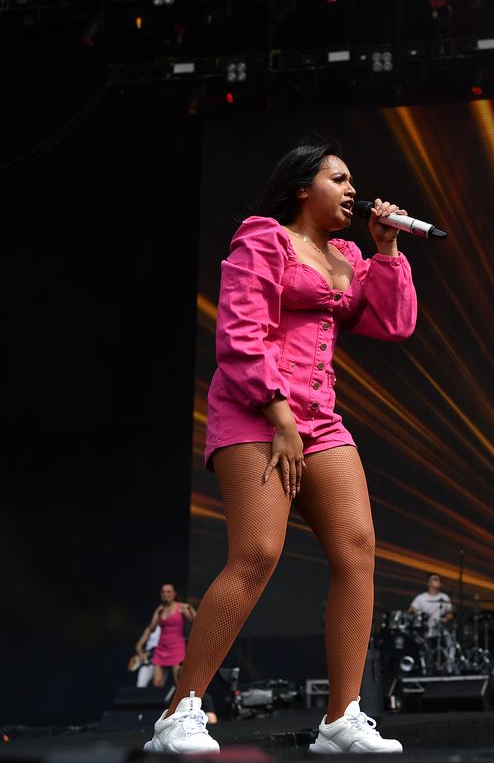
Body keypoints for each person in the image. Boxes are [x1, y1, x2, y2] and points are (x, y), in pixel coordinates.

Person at [144, 140, 417, 755]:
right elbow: (240, 332)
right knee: (258, 553)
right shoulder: (262, 240)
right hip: (254, 409)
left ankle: (341, 718)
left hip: (319, 418)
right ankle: (180, 711)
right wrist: (280, 418)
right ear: (302, 187)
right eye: (339, 179)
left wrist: (387, 250)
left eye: (354, 181)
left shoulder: (347, 255)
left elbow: (393, 322)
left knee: (358, 550)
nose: (353, 190)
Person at [134, 584, 195, 687]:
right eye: (163, 592)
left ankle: (180, 702)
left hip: (176, 647)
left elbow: (196, 621)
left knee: (179, 681)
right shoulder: (160, 610)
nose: (166, 594)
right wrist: (156, 615)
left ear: (174, 593)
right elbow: (151, 629)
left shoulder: (181, 607)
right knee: (157, 683)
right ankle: (158, 703)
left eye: (168, 591)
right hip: (161, 648)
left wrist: (190, 608)